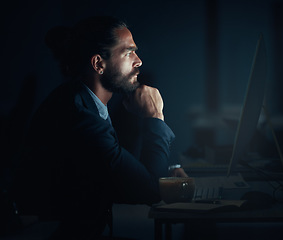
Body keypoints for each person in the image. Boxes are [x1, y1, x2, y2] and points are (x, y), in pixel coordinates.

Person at [12, 16, 187, 239]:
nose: (139, 61)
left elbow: (121, 175)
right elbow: (149, 191)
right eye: (128, 52)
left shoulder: (86, 103)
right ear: (98, 64)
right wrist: (154, 117)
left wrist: (165, 172)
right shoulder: (80, 118)